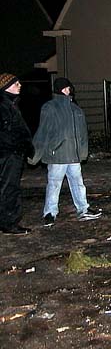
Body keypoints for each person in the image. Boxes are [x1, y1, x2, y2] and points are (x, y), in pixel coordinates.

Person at [30, 77, 102, 225]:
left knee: (78, 183)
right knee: (54, 184)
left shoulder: (75, 109)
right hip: (58, 154)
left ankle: (83, 209)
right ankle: (50, 212)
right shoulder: (50, 107)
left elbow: (82, 133)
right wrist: (35, 154)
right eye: (69, 88)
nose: (71, 90)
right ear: (63, 89)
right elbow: (43, 131)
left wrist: (82, 152)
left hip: (73, 155)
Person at [0, 74, 33, 234]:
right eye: (15, 83)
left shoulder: (11, 104)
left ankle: (6, 221)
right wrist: (15, 147)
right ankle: (9, 223)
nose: (19, 85)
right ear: (6, 87)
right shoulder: (3, 106)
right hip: (8, 155)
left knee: (8, 187)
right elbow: (8, 132)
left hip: (12, 153)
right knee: (9, 188)